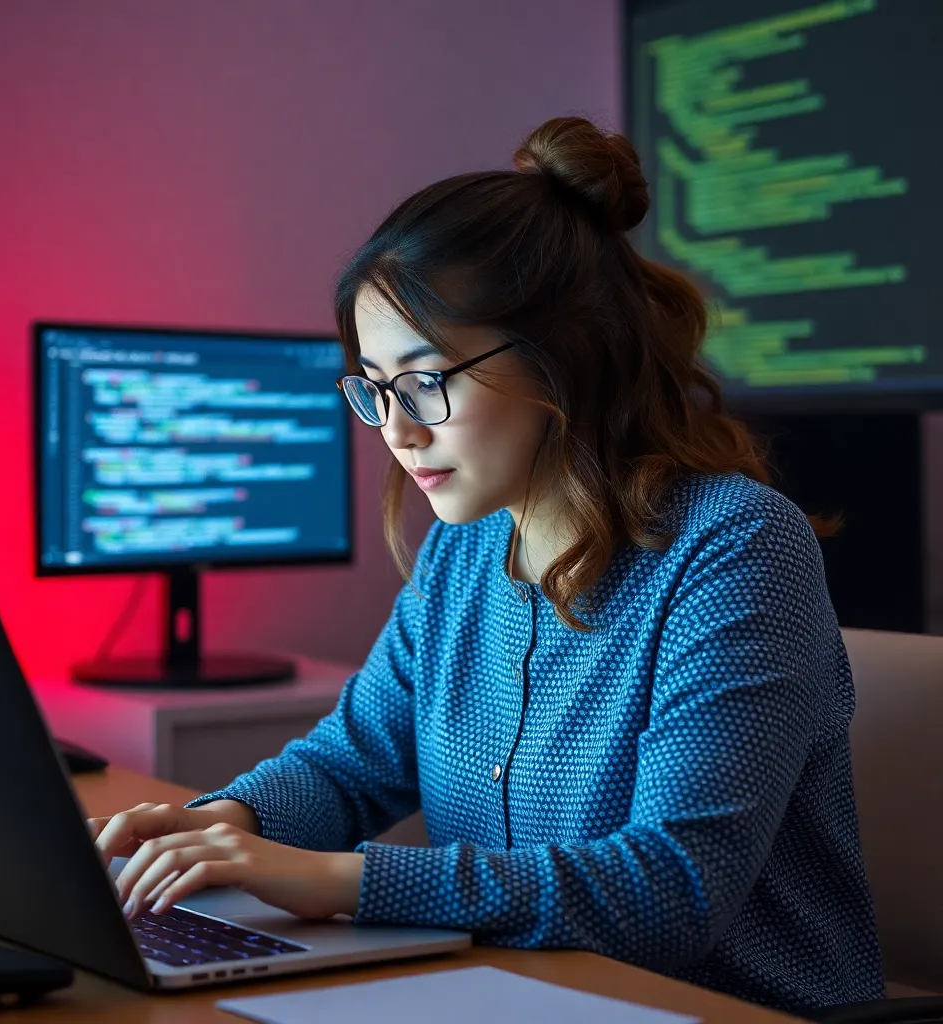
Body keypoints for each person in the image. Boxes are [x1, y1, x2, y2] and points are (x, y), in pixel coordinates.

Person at [91, 116, 885, 1014]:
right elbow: (352, 764)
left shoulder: (734, 547)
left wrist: (334, 880)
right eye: (376, 389)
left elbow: (672, 891)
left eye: (428, 380)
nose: (397, 430)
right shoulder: (465, 545)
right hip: (516, 991)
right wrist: (225, 824)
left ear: (563, 356)